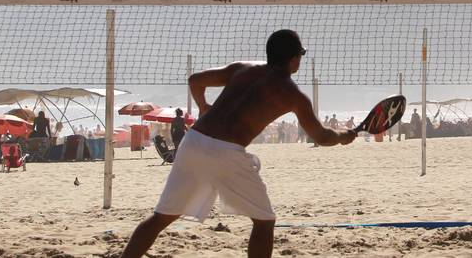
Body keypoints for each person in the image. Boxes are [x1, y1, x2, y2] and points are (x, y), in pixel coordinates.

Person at [120, 30, 356, 258]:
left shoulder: (243, 69)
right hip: (226, 152)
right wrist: (343, 136)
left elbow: (195, 80)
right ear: (294, 59)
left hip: (193, 142)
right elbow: (322, 137)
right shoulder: (293, 94)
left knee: (160, 217)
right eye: (300, 55)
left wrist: (203, 106)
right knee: (264, 221)